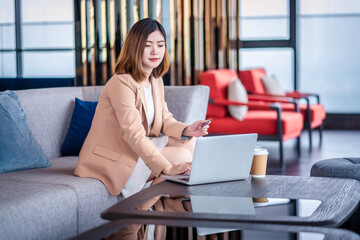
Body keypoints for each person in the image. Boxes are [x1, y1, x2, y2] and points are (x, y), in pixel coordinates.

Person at [74, 18, 209, 198]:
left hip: (137, 146)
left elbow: (164, 120)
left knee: (191, 142)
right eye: (148, 45)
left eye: (161, 45)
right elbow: (134, 135)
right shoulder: (121, 82)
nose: (156, 51)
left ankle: (180, 202)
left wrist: (187, 129)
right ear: (135, 48)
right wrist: (168, 167)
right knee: (180, 157)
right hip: (117, 155)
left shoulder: (155, 80)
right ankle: (144, 207)